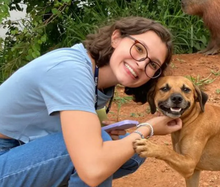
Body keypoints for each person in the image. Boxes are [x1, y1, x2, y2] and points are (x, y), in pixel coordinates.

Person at [0, 16, 182, 187]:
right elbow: (92, 168)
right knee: (97, 155)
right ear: (116, 37)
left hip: (22, 147)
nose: (142, 64)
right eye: (139, 49)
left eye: (152, 65)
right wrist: (147, 129)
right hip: (5, 152)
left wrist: (100, 129)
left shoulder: (99, 80)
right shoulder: (71, 70)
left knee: (133, 152)